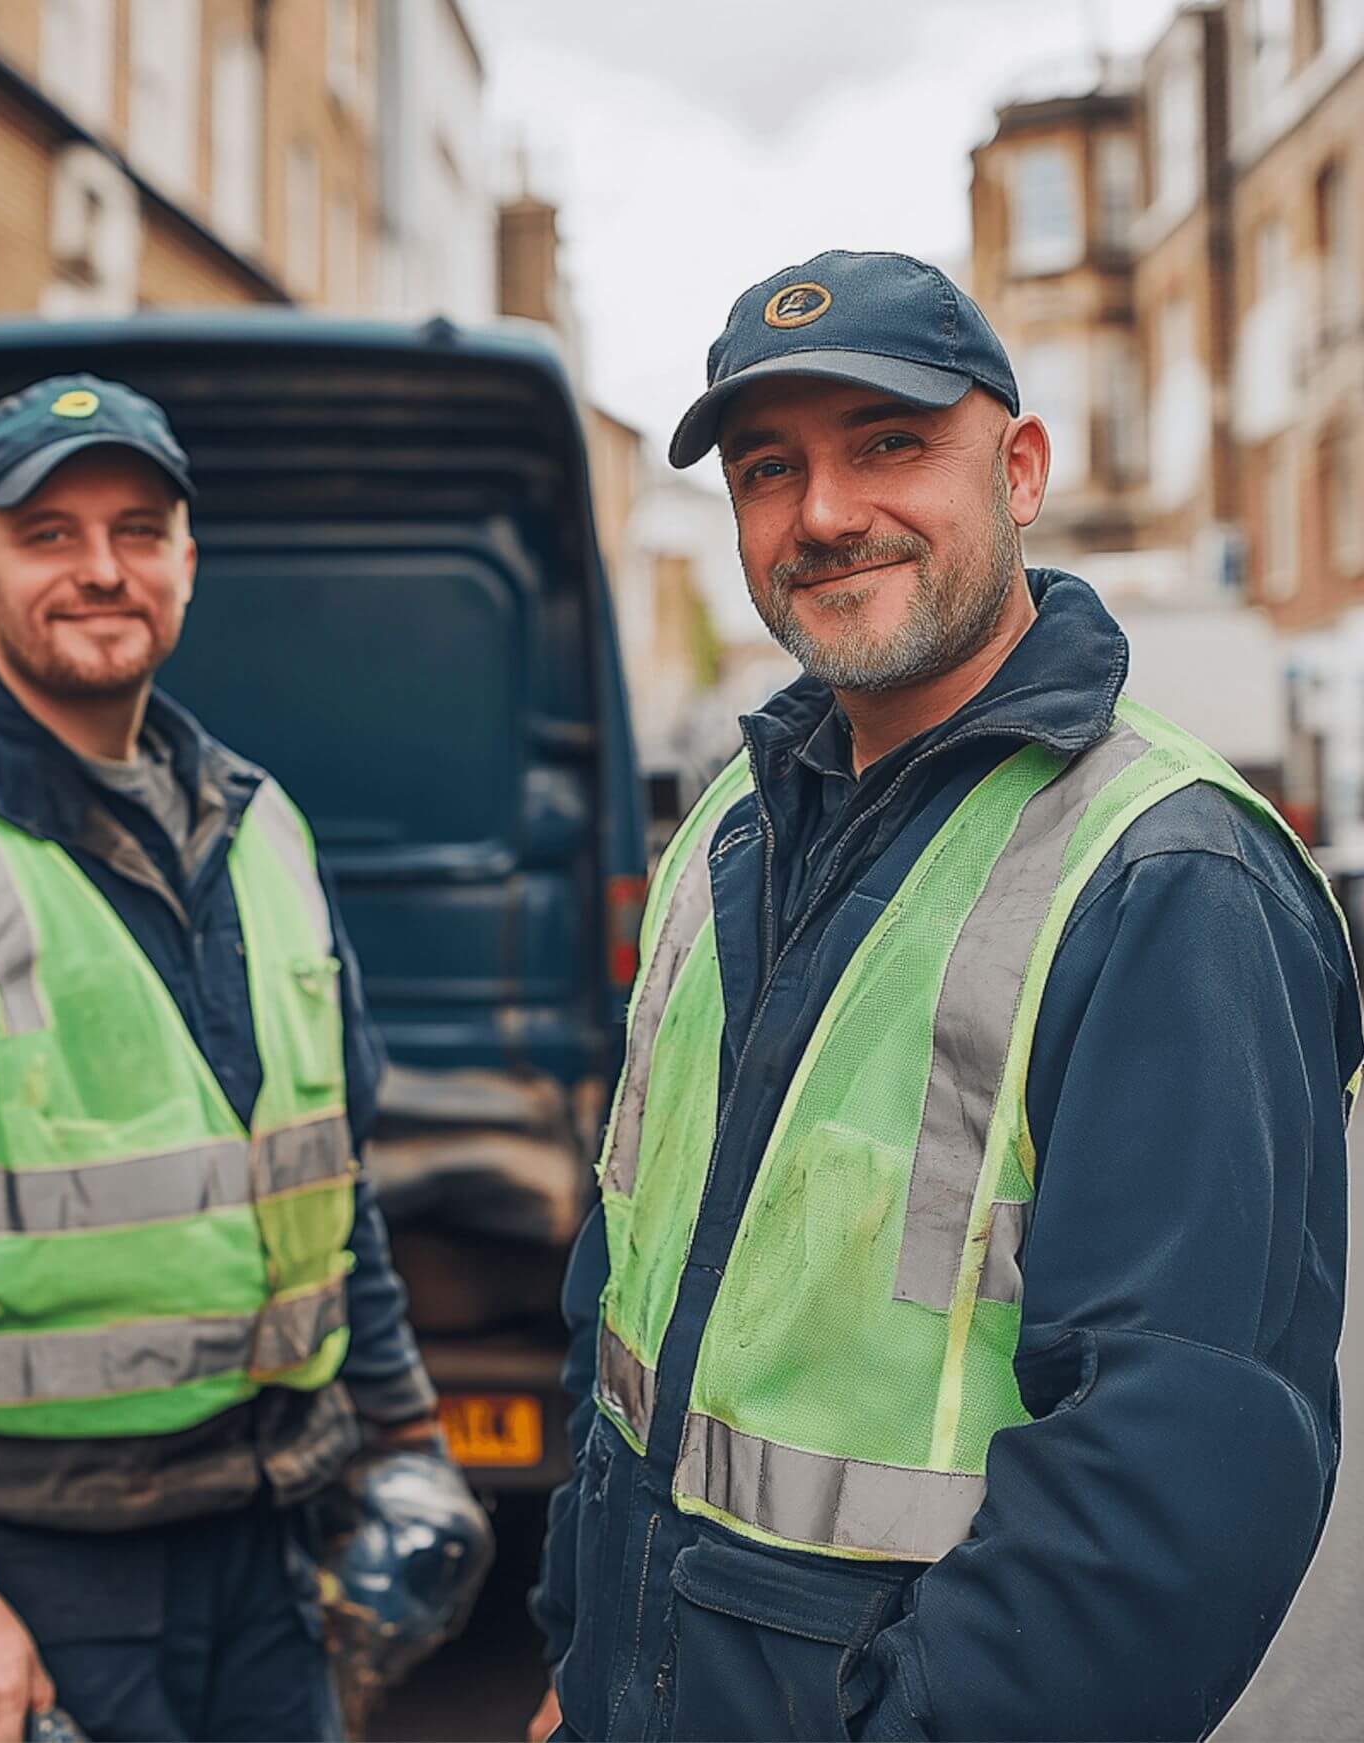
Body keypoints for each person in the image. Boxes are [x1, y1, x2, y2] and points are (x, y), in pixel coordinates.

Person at [526, 251, 1362, 1742]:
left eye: (892, 443)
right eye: (772, 468)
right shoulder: (730, 827)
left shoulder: (1170, 877)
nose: (827, 513)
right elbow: (633, 1295)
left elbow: (1171, 1481)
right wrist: (577, 1661)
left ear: (1022, 469)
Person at [0, 374, 444, 1743]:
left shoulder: (263, 827)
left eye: (138, 528)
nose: (100, 568)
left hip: (272, 1535)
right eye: (47, 533)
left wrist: (405, 1439)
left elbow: (324, 1174)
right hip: (41, 1568)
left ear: (186, 559)